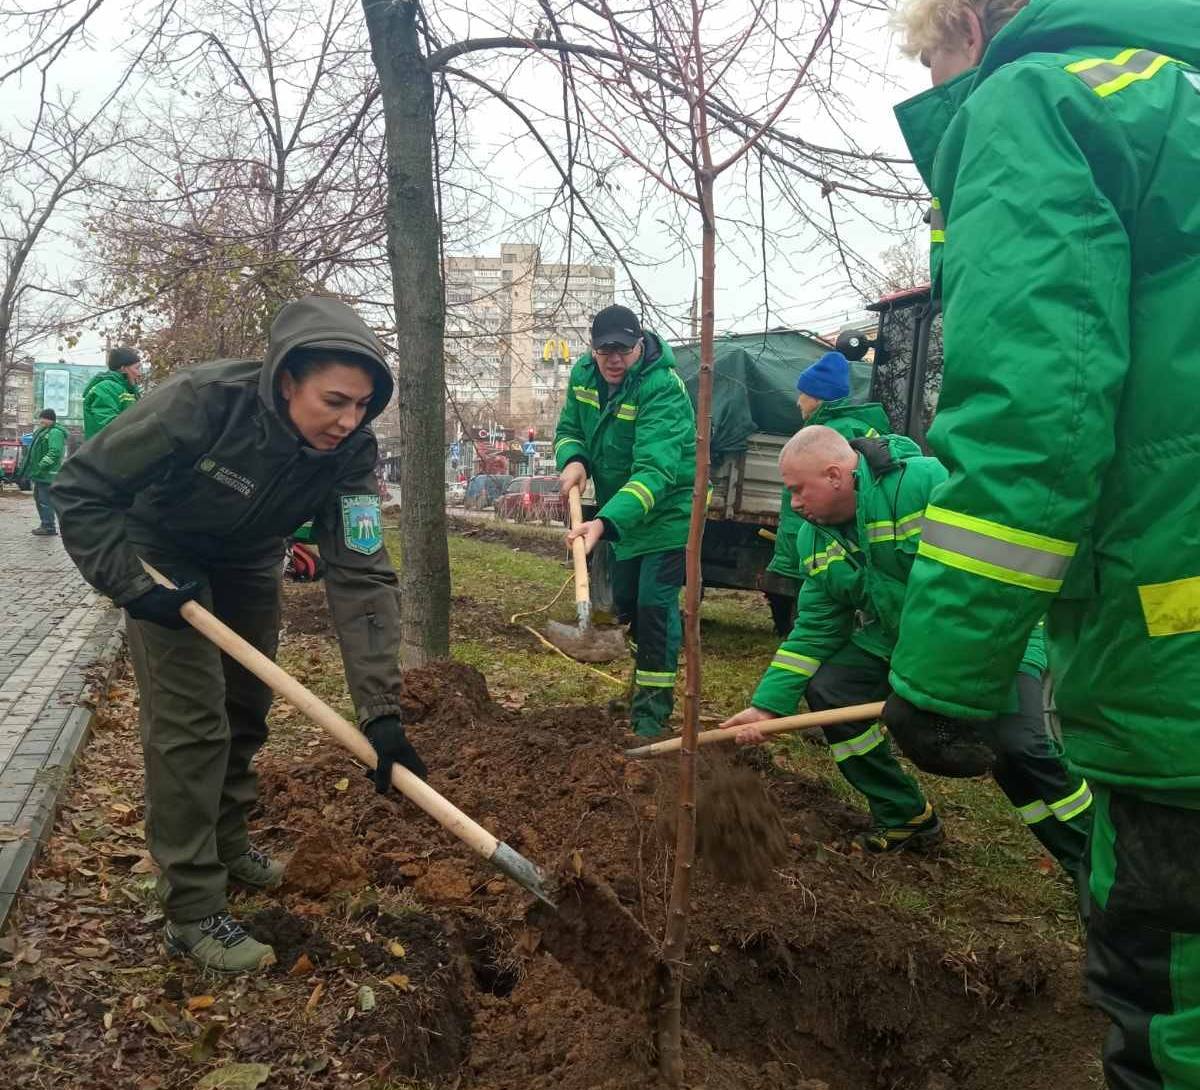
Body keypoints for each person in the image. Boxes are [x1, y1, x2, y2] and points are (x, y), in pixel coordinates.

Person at [890, 1, 1200, 1084]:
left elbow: (1033, 415)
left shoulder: (1041, 97)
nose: (933, 96)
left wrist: (941, 677)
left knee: (1176, 1006)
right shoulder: (1178, 97)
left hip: (1183, 676)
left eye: (932, 65)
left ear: (974, 21)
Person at [53, 296, 427, 974]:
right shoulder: (201, 402)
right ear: (287, 380)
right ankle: (193, 908)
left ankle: (226, 841)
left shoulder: (351, 454)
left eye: (362, 406)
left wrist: (381, 713)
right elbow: (81, 487)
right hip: (158, 549)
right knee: (192, 721)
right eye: (334, 401)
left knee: (245, 704)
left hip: (251, 555)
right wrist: (132, 587)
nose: (348, 422)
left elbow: (363, 575)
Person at [721, 427, 1091, 867]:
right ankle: (904, 814)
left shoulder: (921, 484)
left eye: (799, 490)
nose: (794, 503)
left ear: (836, 475)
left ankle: (1099, 861)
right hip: (905, 643)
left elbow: (995, 565)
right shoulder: (814, 539)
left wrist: (945, 676)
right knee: (833, 686)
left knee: (1018, 747)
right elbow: (815, 629)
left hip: (999, 632)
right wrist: (768, 708)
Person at [555, 304, 696, 739]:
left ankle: (650, 718)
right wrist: (574, 459)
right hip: (624, 509)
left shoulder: (662, 388)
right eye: (605, 350)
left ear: (640, 344)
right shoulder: (582, 376)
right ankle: (643, 681)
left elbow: (655, 471)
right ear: (593, 349)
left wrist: (602, 524)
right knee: (629, 602)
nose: (615, 359)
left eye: (624, 349)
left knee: (655, 606)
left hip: (669, 509)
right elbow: (568, 429)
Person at [766, 351, 888, 636]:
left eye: (803, 393)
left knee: (817, 607)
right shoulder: (858, 427)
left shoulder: (829, 433)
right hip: (837, 541)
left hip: (822, 541)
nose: (798, 401)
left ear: (818, 398)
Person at [21, 408, 67, 536]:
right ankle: (45, 524)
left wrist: (42, 464)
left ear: (49, 419)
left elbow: (54, 452)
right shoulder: (44, 431)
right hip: (40, 474)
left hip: (47, 473)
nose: (40, 421)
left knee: (45, 501)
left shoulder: (55, 433)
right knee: (40, 500)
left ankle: (49, 526)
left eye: (42, 418)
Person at [83, 346, 142, 438]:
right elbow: (109, 425)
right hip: (108, 450)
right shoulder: (106, 388)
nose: (139, 374)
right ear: (123, 368)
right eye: (137, 368)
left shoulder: (128, 390)